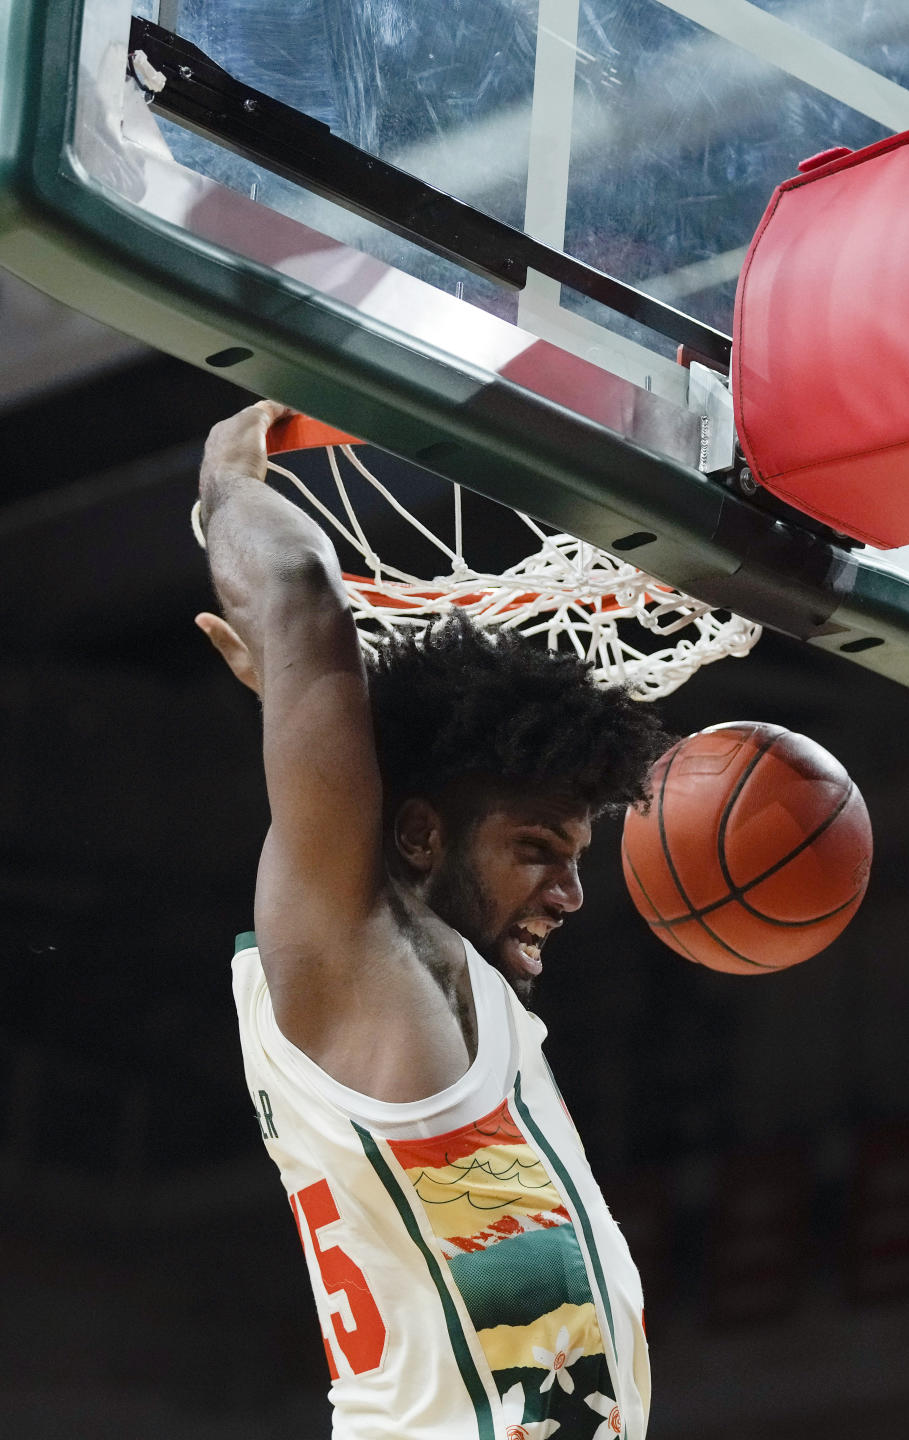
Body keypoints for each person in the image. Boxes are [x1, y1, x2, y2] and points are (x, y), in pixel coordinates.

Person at [195, 400, 668, 1440]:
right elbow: (305, 598)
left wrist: (307, 698)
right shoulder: (365, 962)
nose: (571, 894)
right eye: (537, 851)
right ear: (417, 836)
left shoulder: (450, 996)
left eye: (575, 857)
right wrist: (228, 491)